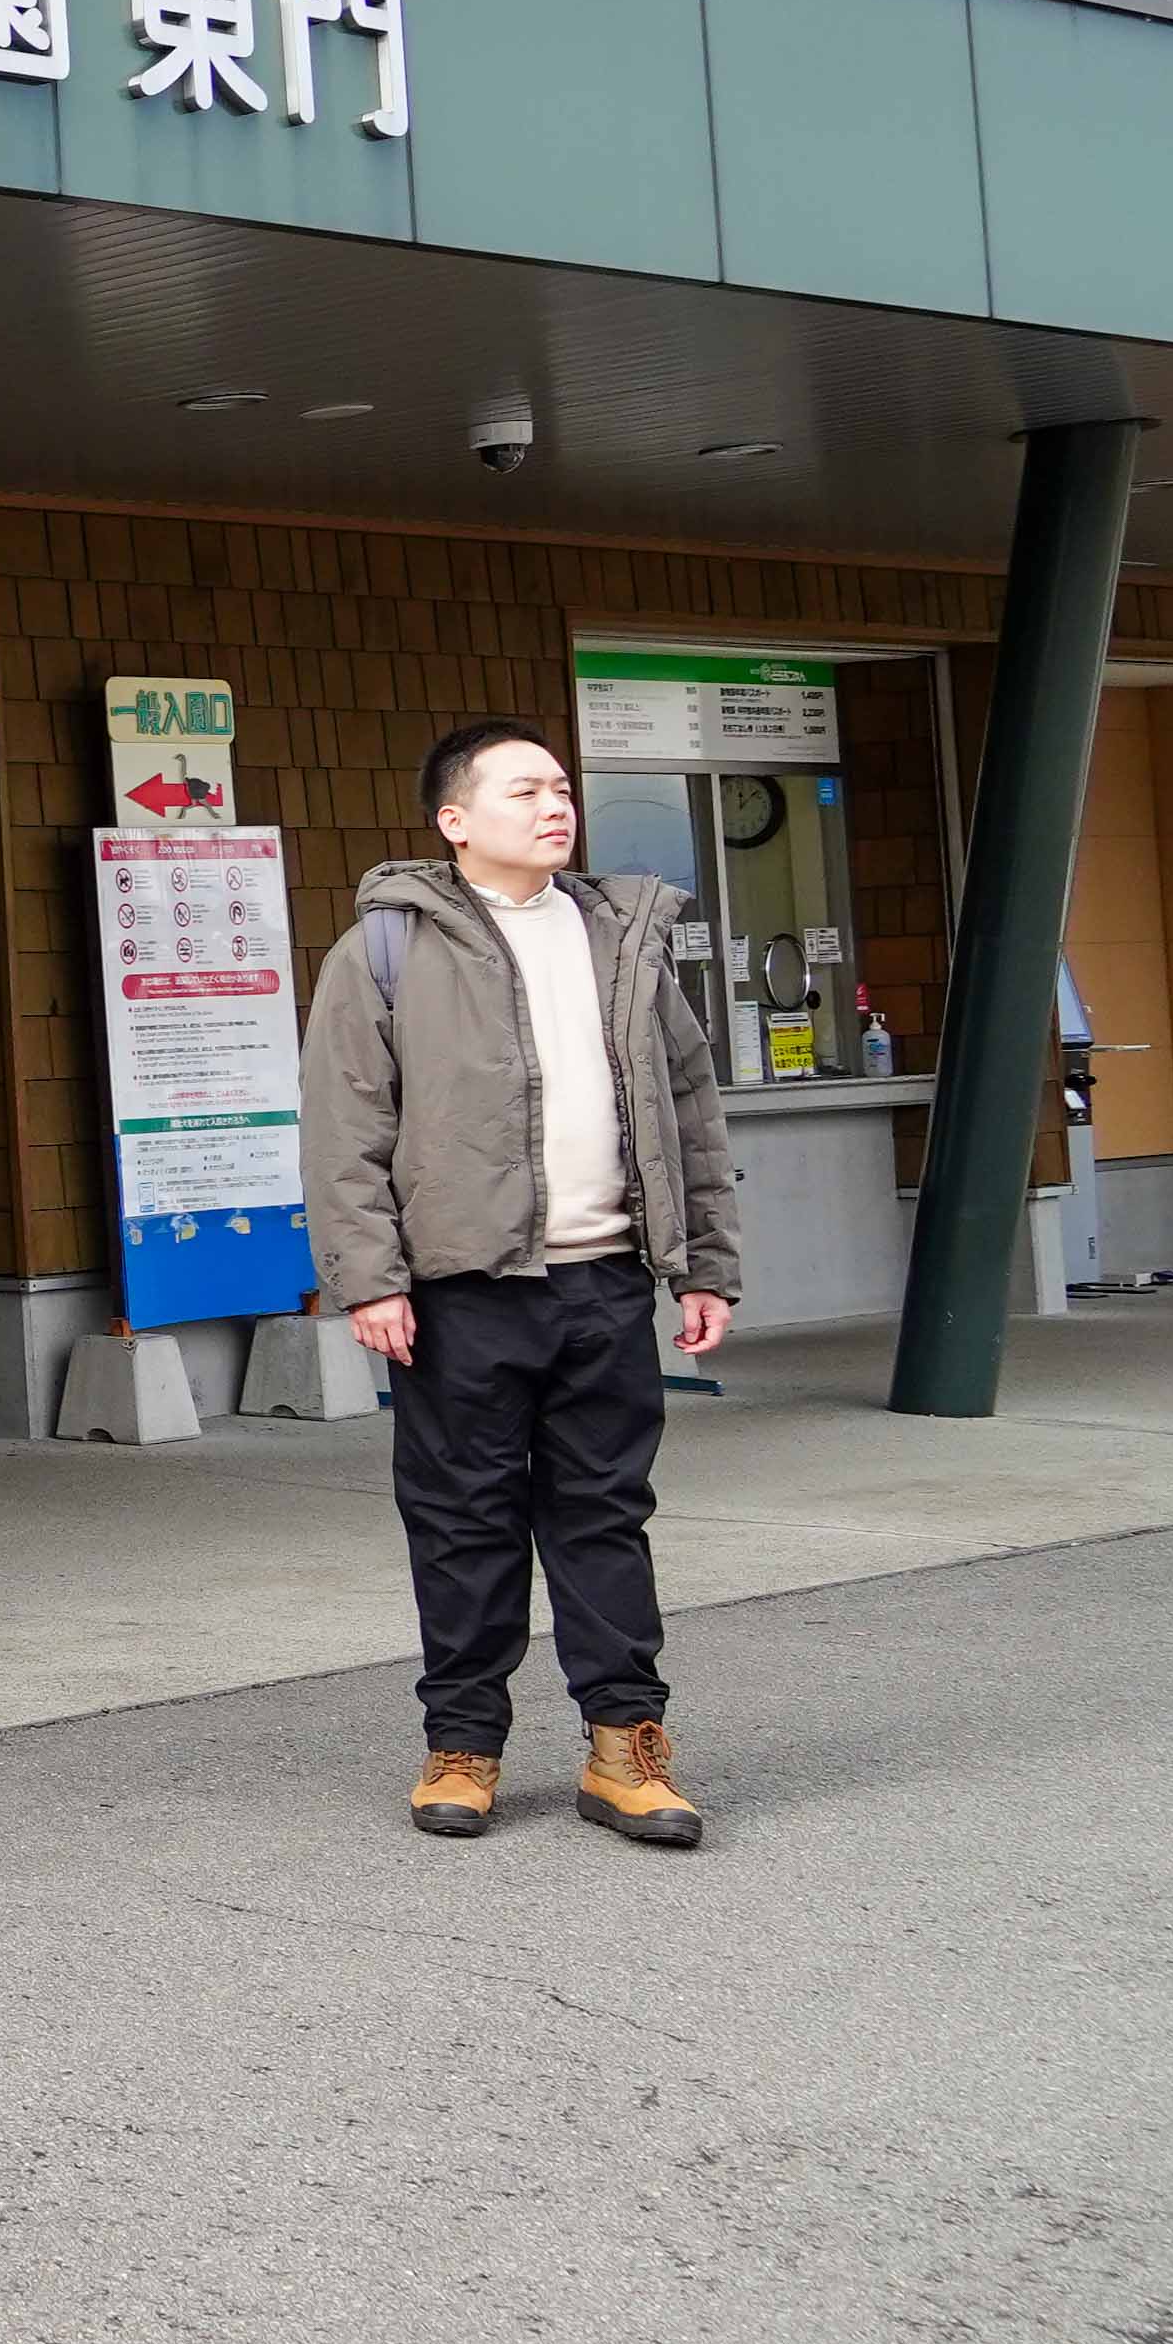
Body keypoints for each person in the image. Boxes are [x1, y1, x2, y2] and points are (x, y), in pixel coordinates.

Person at [304, 719, 743, 1848]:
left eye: (560, 787)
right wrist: (370, 1279)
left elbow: (689, 1109)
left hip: (606, 1283)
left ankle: (625, 1748)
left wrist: (705, 1262)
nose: (555, 806)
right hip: (462, 1293)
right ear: (453, 820)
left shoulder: (623, 938)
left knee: (606, 1518)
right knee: (463, 1523)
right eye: (523, 791)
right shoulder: (385, 950)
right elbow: (346, 1131)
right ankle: (462, 1746)